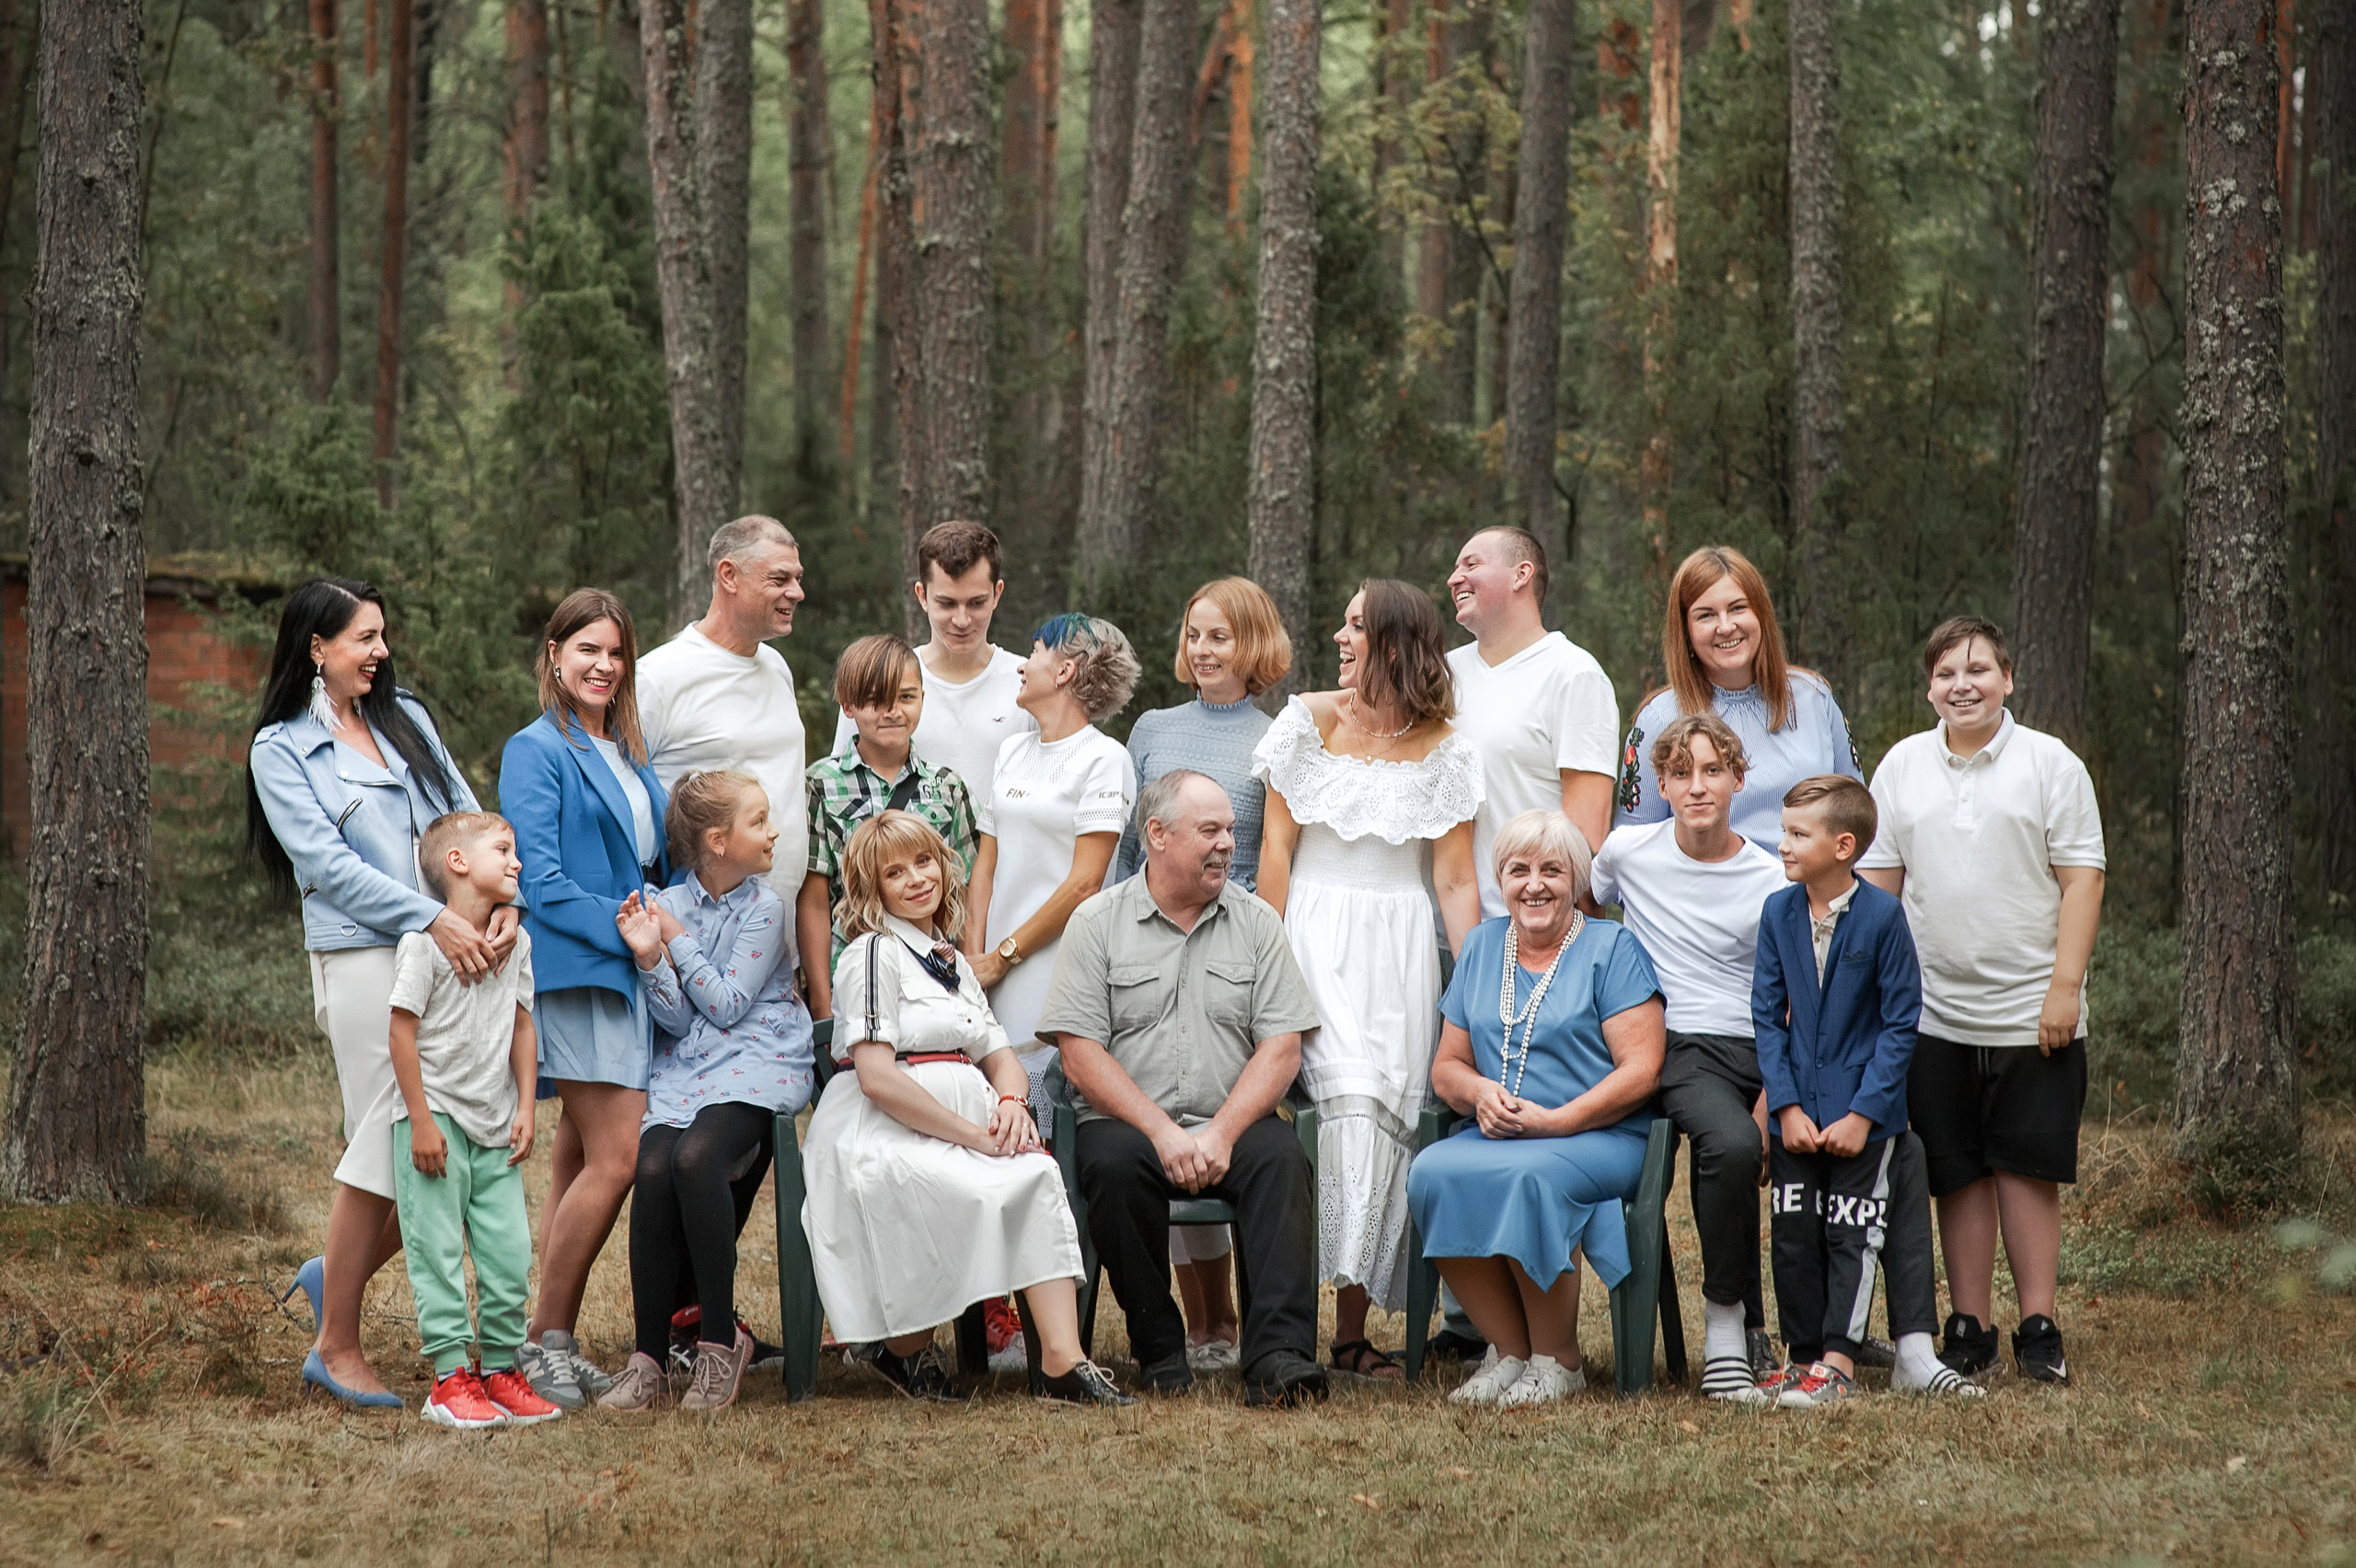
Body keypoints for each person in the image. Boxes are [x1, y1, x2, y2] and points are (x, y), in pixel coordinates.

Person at [248, 577, 514, 1410]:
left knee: (432, 1152)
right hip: (367, 962)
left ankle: (335, 1275)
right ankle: (336, 1345)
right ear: (316, 648)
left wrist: (503, 906)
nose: (381, 652)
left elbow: (469, 820)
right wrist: (435, 916)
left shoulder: (411, 721)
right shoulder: (280, 751)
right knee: (392, 1144)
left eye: (383, 635)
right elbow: (328, 870)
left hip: (457, 954)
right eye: (364, 638)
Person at [803, 811, 1133, 1408]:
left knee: (1034, 1171)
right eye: (894, 873)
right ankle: (900, 1349)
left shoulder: (948, 960)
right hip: (884, 1130)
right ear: (872, 890)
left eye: (923, 862)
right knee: (966, 1188)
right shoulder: (873, 955)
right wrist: (971, 1136)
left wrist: (1011, 1101)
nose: (915, 880)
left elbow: (999, 1052)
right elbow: (877, 1080)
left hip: (964, 1125)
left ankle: (1062, 1362)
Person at [1859, 617, 2105, 1386]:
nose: (1961, 686)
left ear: (2008, 677)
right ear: (1929, 686)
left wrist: (2064, 987)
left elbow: (2083, 878)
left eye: (1977, 671)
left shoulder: (2050, 765)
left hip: (2034, 1012)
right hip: (1932, 1016)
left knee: (2026, 1170)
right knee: (1957, 1172)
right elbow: (1878, 891)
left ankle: (2038, 1327)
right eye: (1945, 674)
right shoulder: (1902, 766)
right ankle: (1968, 1327)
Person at [1040, 771, 1331, 1407]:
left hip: (1234, 1120)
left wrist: (1222, 1133)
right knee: (1112, 1166)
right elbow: (1080, 1053)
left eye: (1230, 830)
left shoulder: (1256, 923)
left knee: (1282, 1160)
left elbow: (1281, 1045)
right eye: (1211, 831)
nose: (1229, 843)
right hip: (1130, 1126)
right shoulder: (1097, 923)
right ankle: (1160, 1351)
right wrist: (1162, 1132)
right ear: (1158, 836)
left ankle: (1277, 1357)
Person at [1254, 580, 1483, 1379]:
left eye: (1358, 626)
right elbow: (1275, 853)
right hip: (1312, 935)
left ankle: (1350, 1335)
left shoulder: (1448, 745)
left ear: (1395, 642)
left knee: (1386, 1112)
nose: (1342, 638)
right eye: (1344, 624)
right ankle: (1292, 1321)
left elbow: (1454, 883)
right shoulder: (1307, 723)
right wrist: (1265, 961)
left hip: (1397, 947)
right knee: (1343, 1100)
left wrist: (1483, 987)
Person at [1404, 810, 1667, 1409]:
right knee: (1430, 1173)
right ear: (1501, 879)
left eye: (1552, 869)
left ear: (1576, 878)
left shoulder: (1612, 946)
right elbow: (1448, 1066)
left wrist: (1561, 1121)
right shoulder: (1481, 945)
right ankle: (1510, 1350)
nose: (1535, 884)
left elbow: (1642, 1070)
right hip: (1501, 1130)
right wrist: (1478, 1094)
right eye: (1519, 870)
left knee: (1532, 1177)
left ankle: (1559, 1361)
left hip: (1600, 1136)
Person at [1110, 576, 1293, 1373]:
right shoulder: (1150, 727)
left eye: (1220, 635)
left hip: (1233, 941)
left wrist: (1265, 943)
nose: (1203, 650)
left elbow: (1281, 854)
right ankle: (1201, 1320)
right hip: (1149, 935)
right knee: (1160, 1101)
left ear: (1253, 644)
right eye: (1193, 635)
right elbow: (1127, 846)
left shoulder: (1280, 734)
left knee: (1223, 1113)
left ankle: (1234, 1319)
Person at [500, 589, 672, 1408]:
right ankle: (548, 1343)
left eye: (615, 653)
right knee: (619, 1157)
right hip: (584, 970)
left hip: (634, 967)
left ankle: (537, 1339)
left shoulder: (630, 754)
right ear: (554, 656)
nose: (603, 666)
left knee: (581, 1150)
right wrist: (631, 927)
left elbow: (648, 861)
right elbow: (541, 878)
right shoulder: (537, 750)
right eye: (587, 651)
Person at [601, 770, 817, 1412]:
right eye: (759, 822)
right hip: (688, 1067)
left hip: (758, 1059)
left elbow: (725, 1005)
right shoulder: (664, 901)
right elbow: (674, 1020)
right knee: (654, 1163)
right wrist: (648, 957)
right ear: (718, 841)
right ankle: (647, 1360)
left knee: (696, 1159)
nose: (773, 831)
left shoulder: (765, 908)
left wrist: (675, 941)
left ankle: (719, 1347)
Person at [1589, 713, 1788, 1397]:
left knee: (1827, 1148)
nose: (1698, 786)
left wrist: (1773, 1098)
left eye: (1713, 771)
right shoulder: (1626, 854)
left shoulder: (1770, 877)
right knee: (1730, 1147)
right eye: (1682, 774)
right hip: (1682, 1043)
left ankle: (1822, 1339)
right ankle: (1726, 1331)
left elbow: (1789, 996)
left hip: (1762, 1047)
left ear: (1738, 779)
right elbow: (1589, 914)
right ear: (1662, 786)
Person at [1746, 776, 1928, 1409]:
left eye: (1799, 834)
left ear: (1844, 845)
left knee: (1851, 1234)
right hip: (1797, 1115)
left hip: (1863, 1122)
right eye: (1785, 831)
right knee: (1794, 1233)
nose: (1784, 845)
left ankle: (1839, 1364)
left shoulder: (1882, 917)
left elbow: (1901, 1023)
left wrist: (1862, 1114)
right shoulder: (1778, 912)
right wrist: (1786, 1105)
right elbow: (1768, 1018)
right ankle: (1801, 1359)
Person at [387, 812, 561, 1430]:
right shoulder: (421, 945)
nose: (517, 862)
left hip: (495, 1125)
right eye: (504, 850)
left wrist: (524, 1106)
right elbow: (401, 1031)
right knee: (436, 1251)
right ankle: (449, 1378)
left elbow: (521, 1024)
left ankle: (501, 1371)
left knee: (509, 1252)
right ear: (458, 862)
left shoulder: (518, 943)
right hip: (436, 1123)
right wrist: (421, 1119)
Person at [964, 614, 1140, 1124]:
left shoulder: (1106, 759)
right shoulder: (1012, 750)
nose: (1023, 664)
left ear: (1065, 670)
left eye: (1036, 650)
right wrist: (978, 959)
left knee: (1040, 1119)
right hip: (988, 967)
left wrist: (1006, 956)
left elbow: (1086, 883)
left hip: (1055, 965)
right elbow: (986, 865)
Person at [1615, 545, 1863, 848]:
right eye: (1706, 615)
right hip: (1709, 891)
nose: (1725, 626)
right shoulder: (1658, 719)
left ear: (1761, 614)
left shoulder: (1814, 697)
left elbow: (1857, 815)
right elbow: (1632, 846)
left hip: (1812, 893)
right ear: (1686, 632)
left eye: (1738, 608)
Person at [802, 634, 980, 1018]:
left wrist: (968, 978)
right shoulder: (820, 783)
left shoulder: (947, 787)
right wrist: (821, 999)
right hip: (853, 974)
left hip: (934, 978)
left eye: (905, 697)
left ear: (921, 699)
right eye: (873, 700)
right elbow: (815, 899)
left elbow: (964, 893)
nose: (891, 712)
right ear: (847, 706)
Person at [1444, 528, 1620, 913]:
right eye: (1455, 568)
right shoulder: (1444, 674)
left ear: (1521, 574)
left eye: (1471, 564)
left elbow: (1586, 832)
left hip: (1532, 927)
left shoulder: (1573, 674)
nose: (1454, 579)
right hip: (1443, 932)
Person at [639, 515, 812, 902]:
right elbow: (618, 796)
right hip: (701, 932)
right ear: (729, 576)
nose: (797, 592)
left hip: (784, 922)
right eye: (780, 579)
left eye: (798, 578)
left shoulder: (777, 668)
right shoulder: (658, 677)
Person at [831, 519, 1033, 804]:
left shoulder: (1029, 683)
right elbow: (842, 785)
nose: (962, 620)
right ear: (922, 596)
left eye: (976, 603)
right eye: (947, 603)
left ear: (997, 594)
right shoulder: (880, 678)